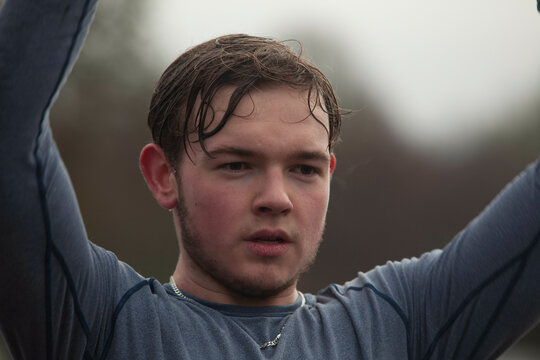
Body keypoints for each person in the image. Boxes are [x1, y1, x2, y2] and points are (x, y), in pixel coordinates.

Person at [0, 0, 538, 359]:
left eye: (303, 169)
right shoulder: (98, 322)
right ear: (164, 176)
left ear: (329, 175)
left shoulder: (401, 322)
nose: (276, 199)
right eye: (237, 165)